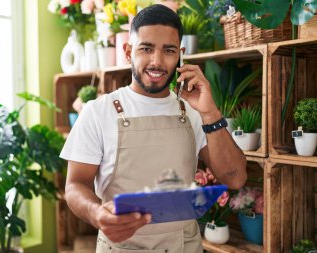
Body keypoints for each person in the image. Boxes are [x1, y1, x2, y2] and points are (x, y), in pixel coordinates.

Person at [60, 4, 247, 252]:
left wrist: (210, 112)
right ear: (128, 52)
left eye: (168, 50)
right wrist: (97, 214)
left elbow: (235, 179)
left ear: (180, 54)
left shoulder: (193, 113)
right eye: (146, 48)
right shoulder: (98, 112)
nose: (157, 61)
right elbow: (75, 185)